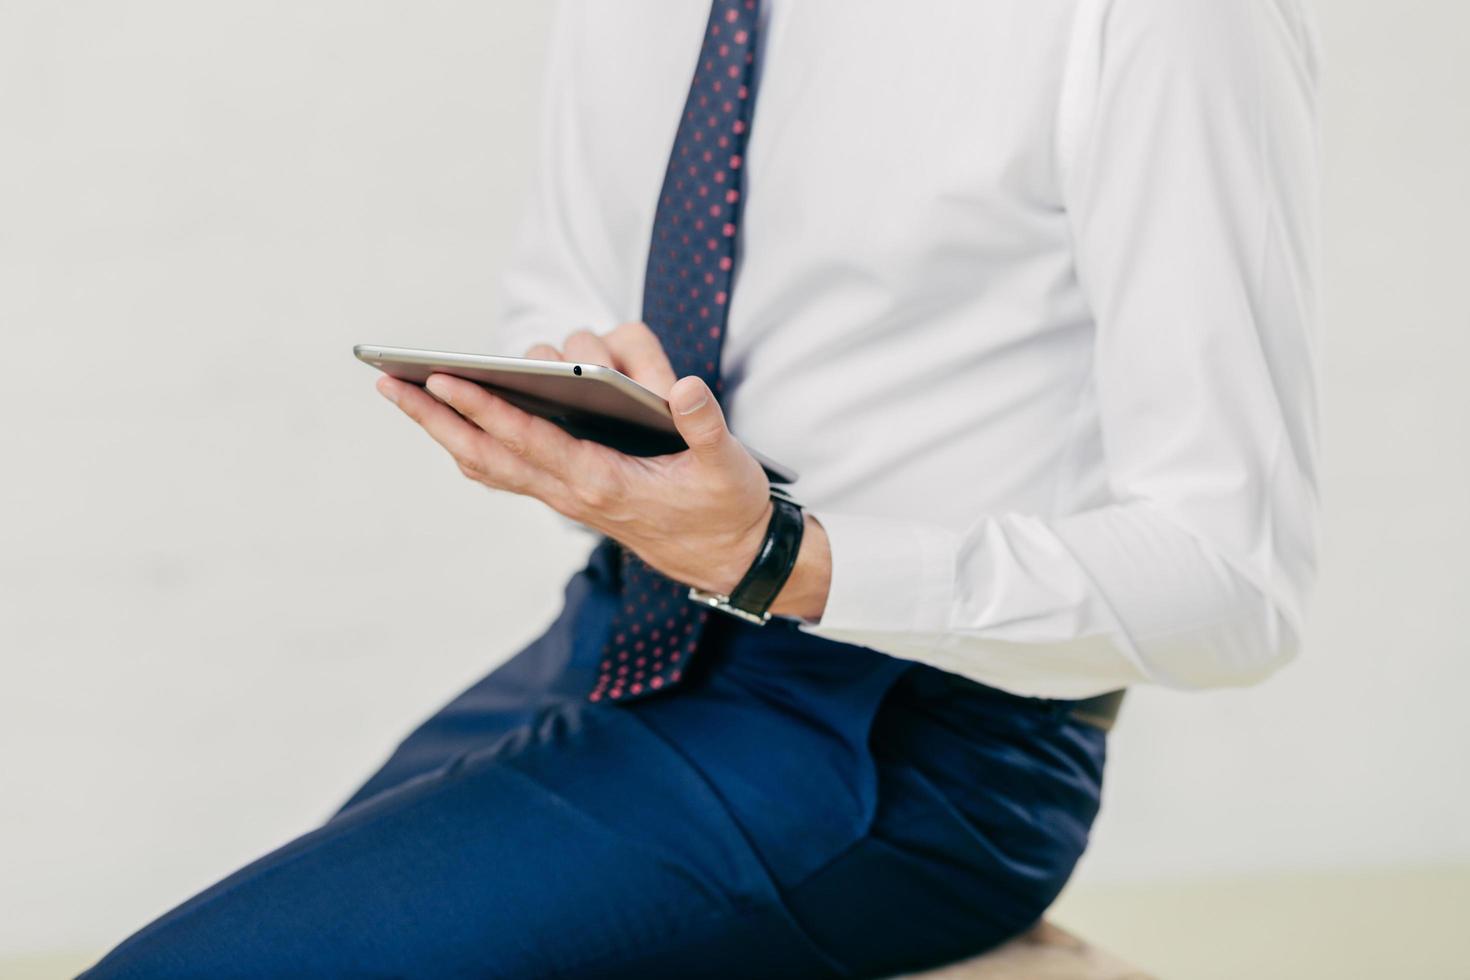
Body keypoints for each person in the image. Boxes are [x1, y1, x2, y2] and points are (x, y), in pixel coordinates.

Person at [85, 0, 1322, 976]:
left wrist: (783, 555)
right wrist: (579, 434)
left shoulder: (1163, 14)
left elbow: (1237, 589)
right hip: (621, 633)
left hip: (913, 744)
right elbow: (564, 290)